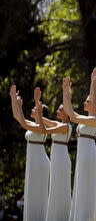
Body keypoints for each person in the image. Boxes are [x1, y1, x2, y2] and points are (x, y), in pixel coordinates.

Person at [64, 68, 96, 221]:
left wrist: (93, 84)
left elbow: (72, 117)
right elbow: (70, 113)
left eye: (89, 101)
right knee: (80, 186)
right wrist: (65, 93)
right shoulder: (84, 118)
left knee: (87, 188)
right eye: (86, 100)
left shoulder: (95, 120)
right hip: (83, 155)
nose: (86, 102)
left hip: (89, 155)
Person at [9, 86, 51, 221]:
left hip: (40, 162)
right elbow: (17, 117)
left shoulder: (42, 127)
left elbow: (22, 123)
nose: (33, 109)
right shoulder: (33, 125)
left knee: (38, 194)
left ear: (41, 113)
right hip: (34, 161)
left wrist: (36, 101)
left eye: (36, 108)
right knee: (31, 193)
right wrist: (13, 99)